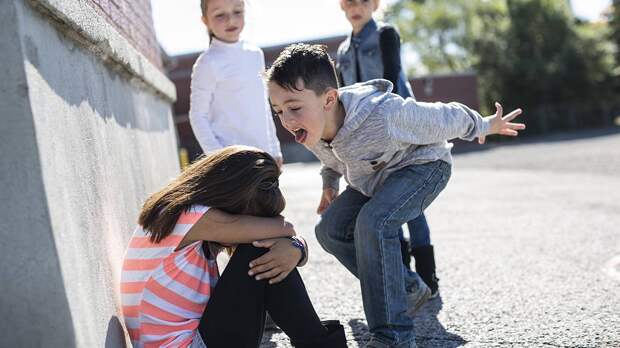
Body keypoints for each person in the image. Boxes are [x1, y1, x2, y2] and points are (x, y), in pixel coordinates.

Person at [265, 44, 525, 348]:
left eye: (294, 108)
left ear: (329, 99)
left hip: (425, 166)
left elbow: (443, 116)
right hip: (375, 179)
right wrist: (330, 186)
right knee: (329, 230)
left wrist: (483, 124)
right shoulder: (311, 126)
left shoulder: (383, 115)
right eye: (278, 111)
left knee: (373, 223)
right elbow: (332, 159)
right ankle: (407, 287)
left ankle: (394, 337)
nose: (286, 120)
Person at [120, 146, 347, 348]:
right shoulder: (188, 216)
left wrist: (296, 248)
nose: (249, 230)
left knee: (265, 249)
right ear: (230, 198)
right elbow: (284, 228)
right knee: (259, 249)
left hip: (194, 339)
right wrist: (294, 245)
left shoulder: (181, 215)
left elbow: (285, 234)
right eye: (251, 219)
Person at [336, 0, 439, 294]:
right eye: (349, 1)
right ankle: (405, 278)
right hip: (365, 138)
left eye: (363, 1)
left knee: (411, 203)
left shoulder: (385, 34)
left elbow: (393, 78)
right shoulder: (342, 51)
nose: (356, 6)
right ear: (342, 5)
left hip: (400, 128)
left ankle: (428, 278)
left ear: (375, 4)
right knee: (383, 202)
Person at [189, 0, 283, 166]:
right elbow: (198, 116)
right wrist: (219, 158)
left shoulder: (255, 55)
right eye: (220, 15)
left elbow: (263, 106)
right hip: (232, 162)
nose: (230, 20)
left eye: (237, 12)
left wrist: (274, 149)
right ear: (205, 21)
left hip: (264, 156)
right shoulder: (207, 63)